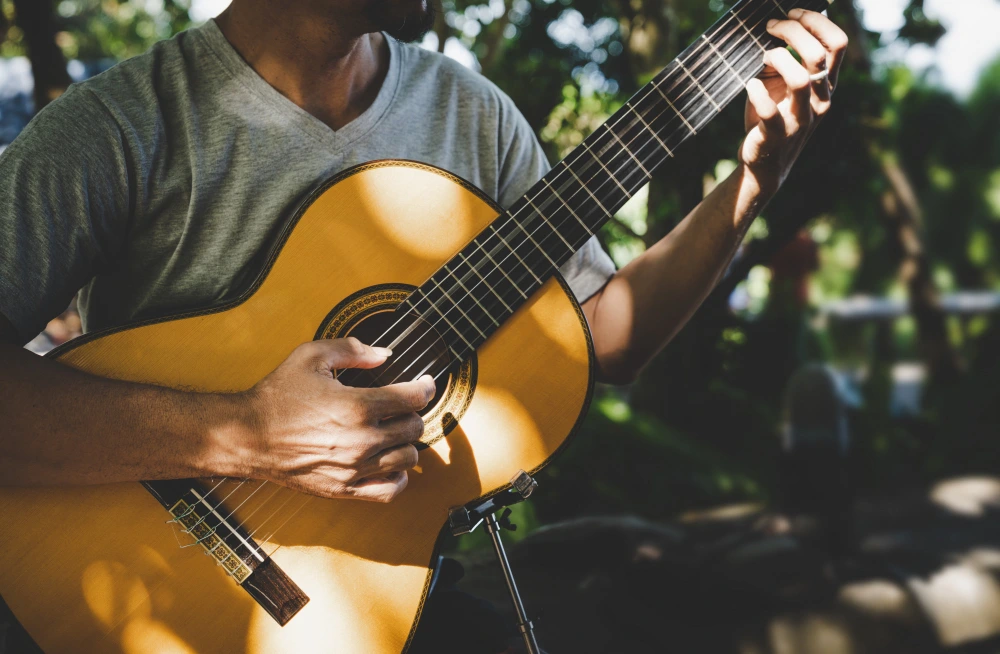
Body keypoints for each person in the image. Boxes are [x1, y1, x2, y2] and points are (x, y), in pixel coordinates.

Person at [0, 0, 848, 650]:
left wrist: (753, 184)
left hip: (375, 603)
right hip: (135, 583)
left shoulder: (468, 114)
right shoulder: (121, 125)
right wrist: (249, 435)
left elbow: (604, 336)